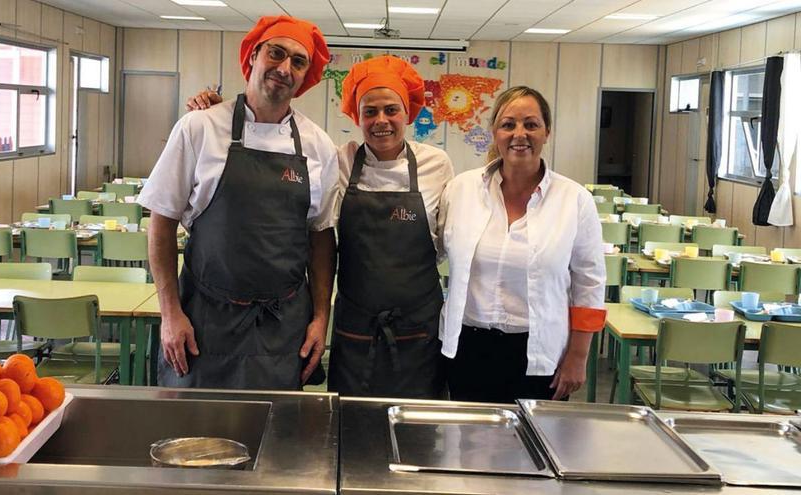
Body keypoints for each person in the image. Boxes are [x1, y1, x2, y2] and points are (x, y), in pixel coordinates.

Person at [187, 55, 454, 398]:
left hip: (420, 328)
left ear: (408, 113)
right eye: (369, 111)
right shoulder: (339, 159)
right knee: (351, 426)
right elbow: (317, 229)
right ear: (357, 116)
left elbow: (447, 242)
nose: (381, 121)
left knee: (418, 430)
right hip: (355, 326)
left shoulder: (437, 164)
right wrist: (216, 112)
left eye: (391, 110)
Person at [138, 15, 339, 390]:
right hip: (202, 322)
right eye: (276, 53)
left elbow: (321, 237)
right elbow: (160, 222)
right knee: (195, 437)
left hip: (283, 328)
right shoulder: (199, 128)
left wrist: (320, 316)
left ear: (305, 76)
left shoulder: (318, 146)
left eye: (298, 61)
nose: (284, 68)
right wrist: (170, 313)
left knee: (277, 437)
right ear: (252, 57)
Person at [436, 85, 606, 403]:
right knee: (468, 448)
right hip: (467, 349)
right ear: (494, 132)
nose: (519, 134)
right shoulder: (460, 190)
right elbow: (431, 253)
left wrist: (578, 357)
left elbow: (590, 284)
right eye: (508, 124)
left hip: (540, 354)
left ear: (547, 132)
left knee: (535, 448)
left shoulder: (574, 200)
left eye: (531, 124)